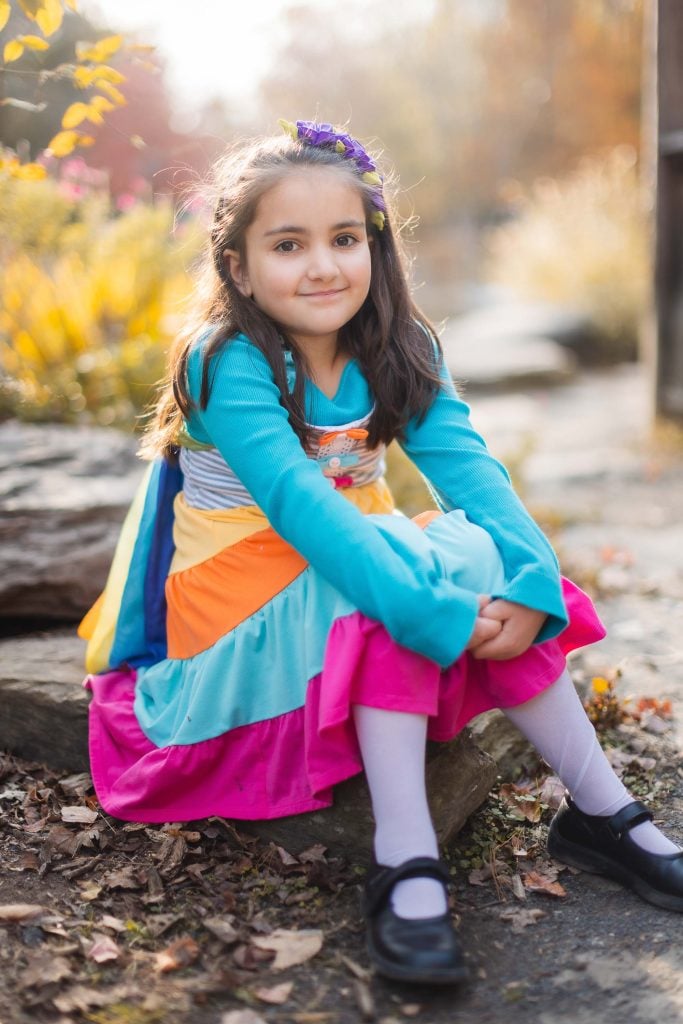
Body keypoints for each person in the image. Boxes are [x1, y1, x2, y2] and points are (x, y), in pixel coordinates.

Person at [79, 119, 683, 986]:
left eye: (343, 239)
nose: (322, 266)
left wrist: (530, 581)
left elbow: (474, 476)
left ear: (376, 246)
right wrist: (431, 608)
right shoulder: (228, 362)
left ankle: (602, 813)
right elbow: (301, 511)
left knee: (468, 548)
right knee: (392, 572)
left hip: (356, 567)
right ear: (239, 267)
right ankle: (406, 860)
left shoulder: (401, 348)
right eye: (288, 245)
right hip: (238, 607)